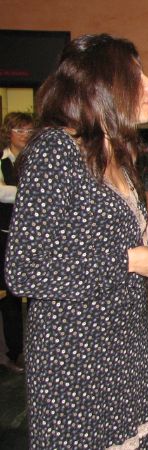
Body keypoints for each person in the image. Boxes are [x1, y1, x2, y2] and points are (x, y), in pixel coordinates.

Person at [5, 34, 148, 449]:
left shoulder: (114, 154)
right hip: (76, 359)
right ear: (102, 86)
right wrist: (127, 260)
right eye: (137, 77)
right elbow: (24, 269)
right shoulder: (55, 150)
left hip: (124, 347)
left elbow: (99, 244)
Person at [0, 112, 33, 374]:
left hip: (33, 238)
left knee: (36, 297)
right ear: (8, 133)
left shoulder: (35, 160)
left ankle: (35, 349)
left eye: (29, 131)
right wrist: (31, 192)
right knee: (10, 298)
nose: (25, 135)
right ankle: (15, 352)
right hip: (6, 236)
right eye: (19, 130)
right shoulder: (2, 161)